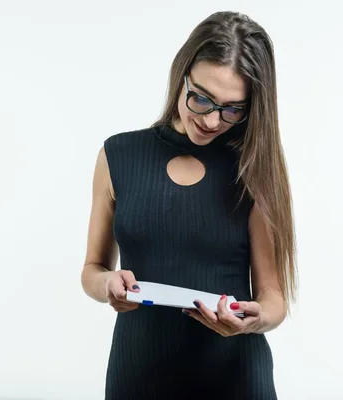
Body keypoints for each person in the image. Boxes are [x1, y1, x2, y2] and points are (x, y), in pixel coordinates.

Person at [81, 10, 297, 399]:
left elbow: (274, 299)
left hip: (235, 378)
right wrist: (107, 284)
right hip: (138, 375)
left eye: (232, 109)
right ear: (181, 75)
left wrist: (254, 319)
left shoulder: (252, 168)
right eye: (201, 99)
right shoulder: (118, 155)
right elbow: (92, 270)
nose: (213, 121)